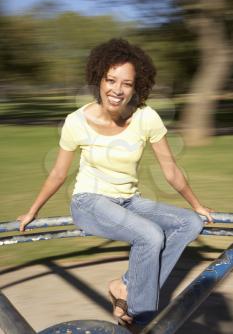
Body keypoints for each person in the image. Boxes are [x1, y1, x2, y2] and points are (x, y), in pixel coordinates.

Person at [17, 38, 213, 330]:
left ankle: (124, 287)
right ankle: (141, 319)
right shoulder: (76, 121)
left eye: (127, 83)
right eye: (111, 80)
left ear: (137, 87)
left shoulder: (146, 117)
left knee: (189, 224)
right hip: (90, 202)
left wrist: (196, 205)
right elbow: (59, 173)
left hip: (129, 200)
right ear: (99, 79)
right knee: (150, 235)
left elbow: (170, 169)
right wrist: (32, 210)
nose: (117, 90)